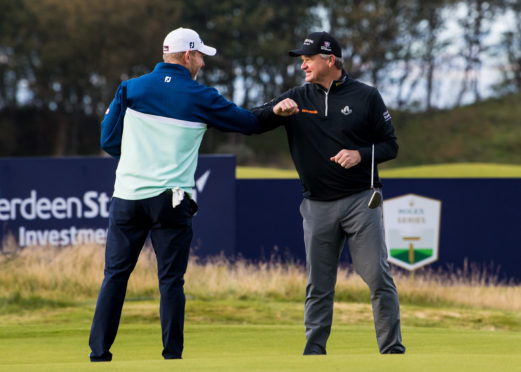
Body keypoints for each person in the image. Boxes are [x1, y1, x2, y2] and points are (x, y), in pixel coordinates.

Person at [89, 27, 259, 361]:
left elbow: (109, 142)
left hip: (128, 196)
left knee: (115, 277)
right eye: (200, 57)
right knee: (170, 280)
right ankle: (171, 355)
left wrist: (141, 157)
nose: (202, 64)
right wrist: (277, 111)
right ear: (187, 56)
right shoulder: (200, 96)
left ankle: (99, 353)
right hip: (171, 199)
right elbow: (248, 123)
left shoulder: (131, 88)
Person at [253, 31, 405, 355]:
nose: (303, 65)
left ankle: (392, 351)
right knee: (319, 285)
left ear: (330, 60)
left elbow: (391, 145)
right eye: (302, 59)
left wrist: (360, 154)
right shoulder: (296, 97)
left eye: (308, 59)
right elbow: (253, 119)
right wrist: (274, 112)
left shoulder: (366, 96)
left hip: (360, 202)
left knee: (377, 276)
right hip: (317, 205)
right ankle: (314, 352)